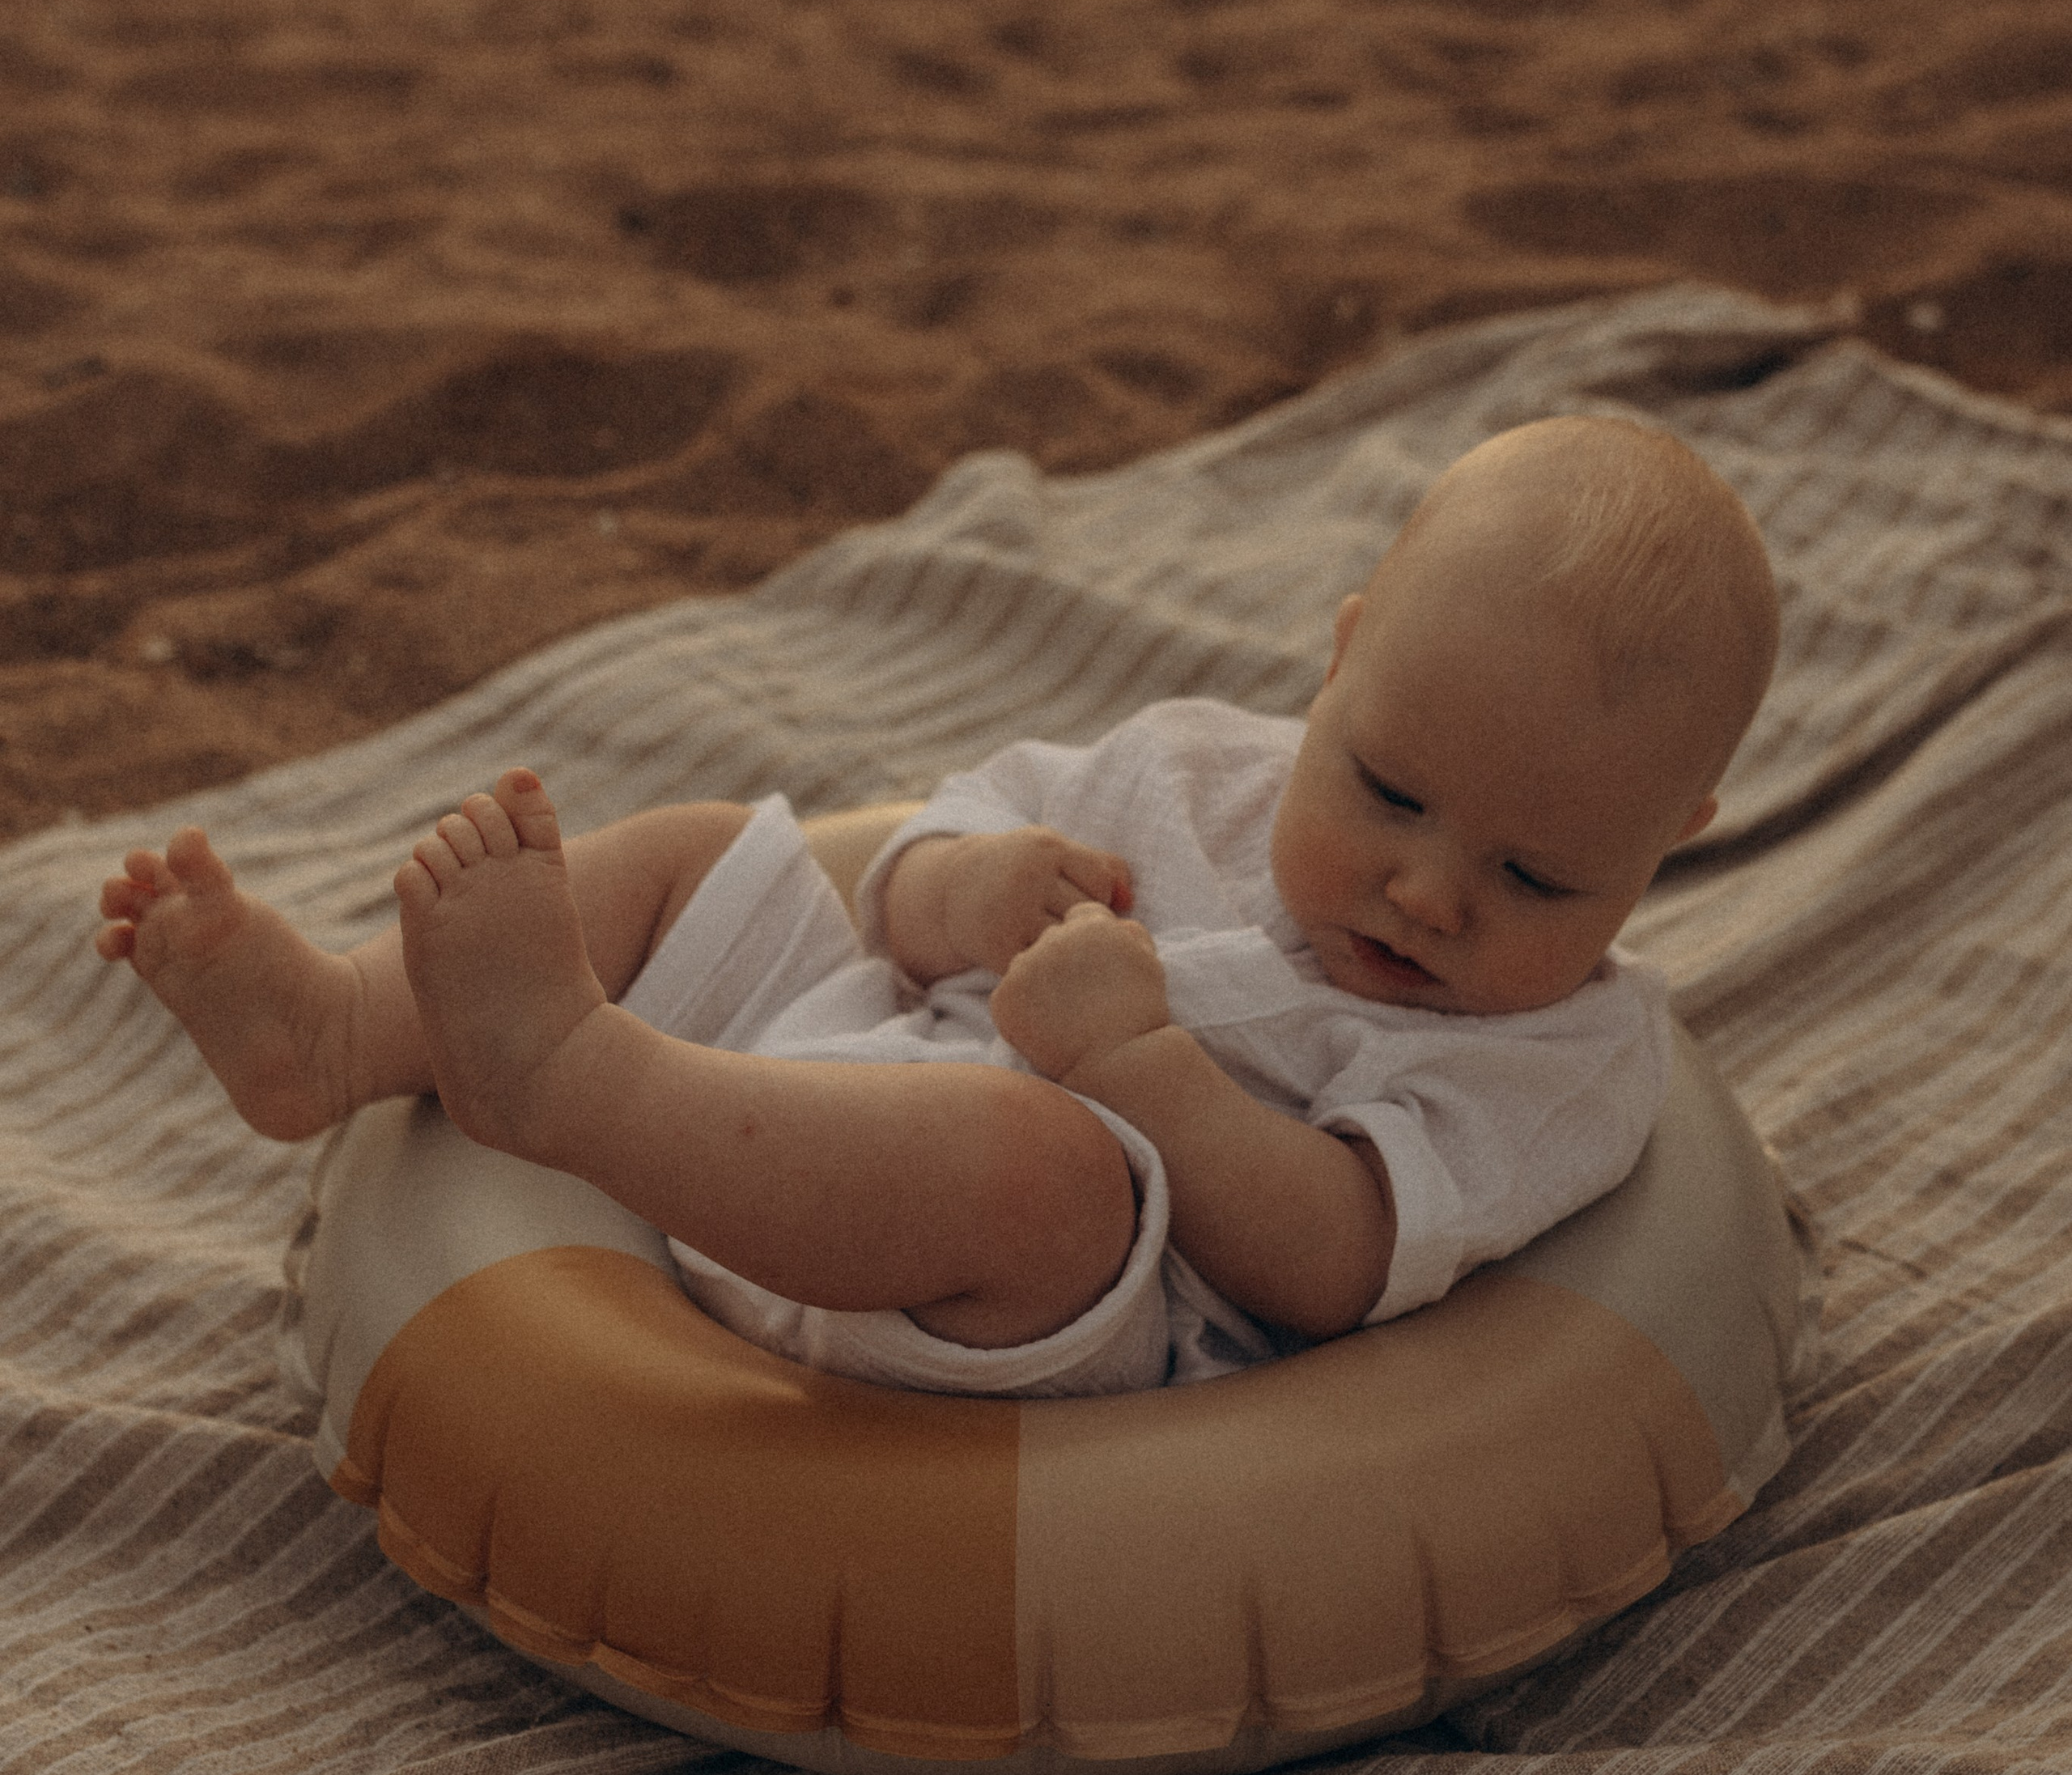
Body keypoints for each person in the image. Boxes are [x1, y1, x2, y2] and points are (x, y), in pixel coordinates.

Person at [95, 414, 1779, 1398]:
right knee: (704, 847)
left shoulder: (1563, 1057)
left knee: (1038, 1169)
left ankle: (560, 1080)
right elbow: (901, 882)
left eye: (1535, 875)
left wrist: (1140, 1075)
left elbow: (1332, 1264)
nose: (1426, 890)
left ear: (1665, 845)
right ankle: (335, 1028)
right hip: (850, 1060)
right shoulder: (1192, 767)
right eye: (1388, 793)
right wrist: (973, 892)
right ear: (1338, 668)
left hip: (1055, 1297)